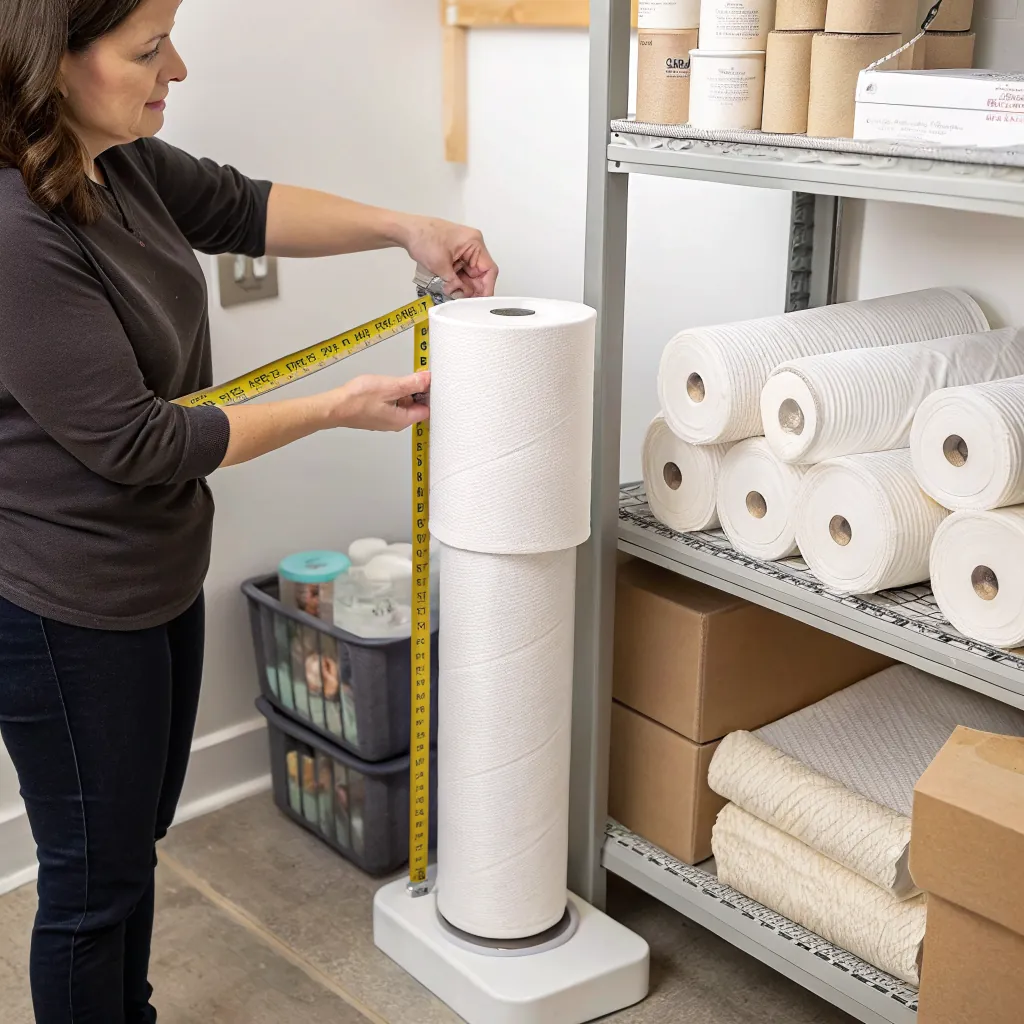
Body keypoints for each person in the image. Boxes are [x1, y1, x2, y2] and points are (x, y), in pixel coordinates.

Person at [0, 1, 498, 1021]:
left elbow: (243, 207)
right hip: (65, 607)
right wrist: (335, 407)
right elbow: (139, 441)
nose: (173, 68)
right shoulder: (13, 230)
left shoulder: (116, 160)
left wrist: (410, 225)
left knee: (130, 851)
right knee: (94, 885)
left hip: (156, 568)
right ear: (52, 62)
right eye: (147, 50)